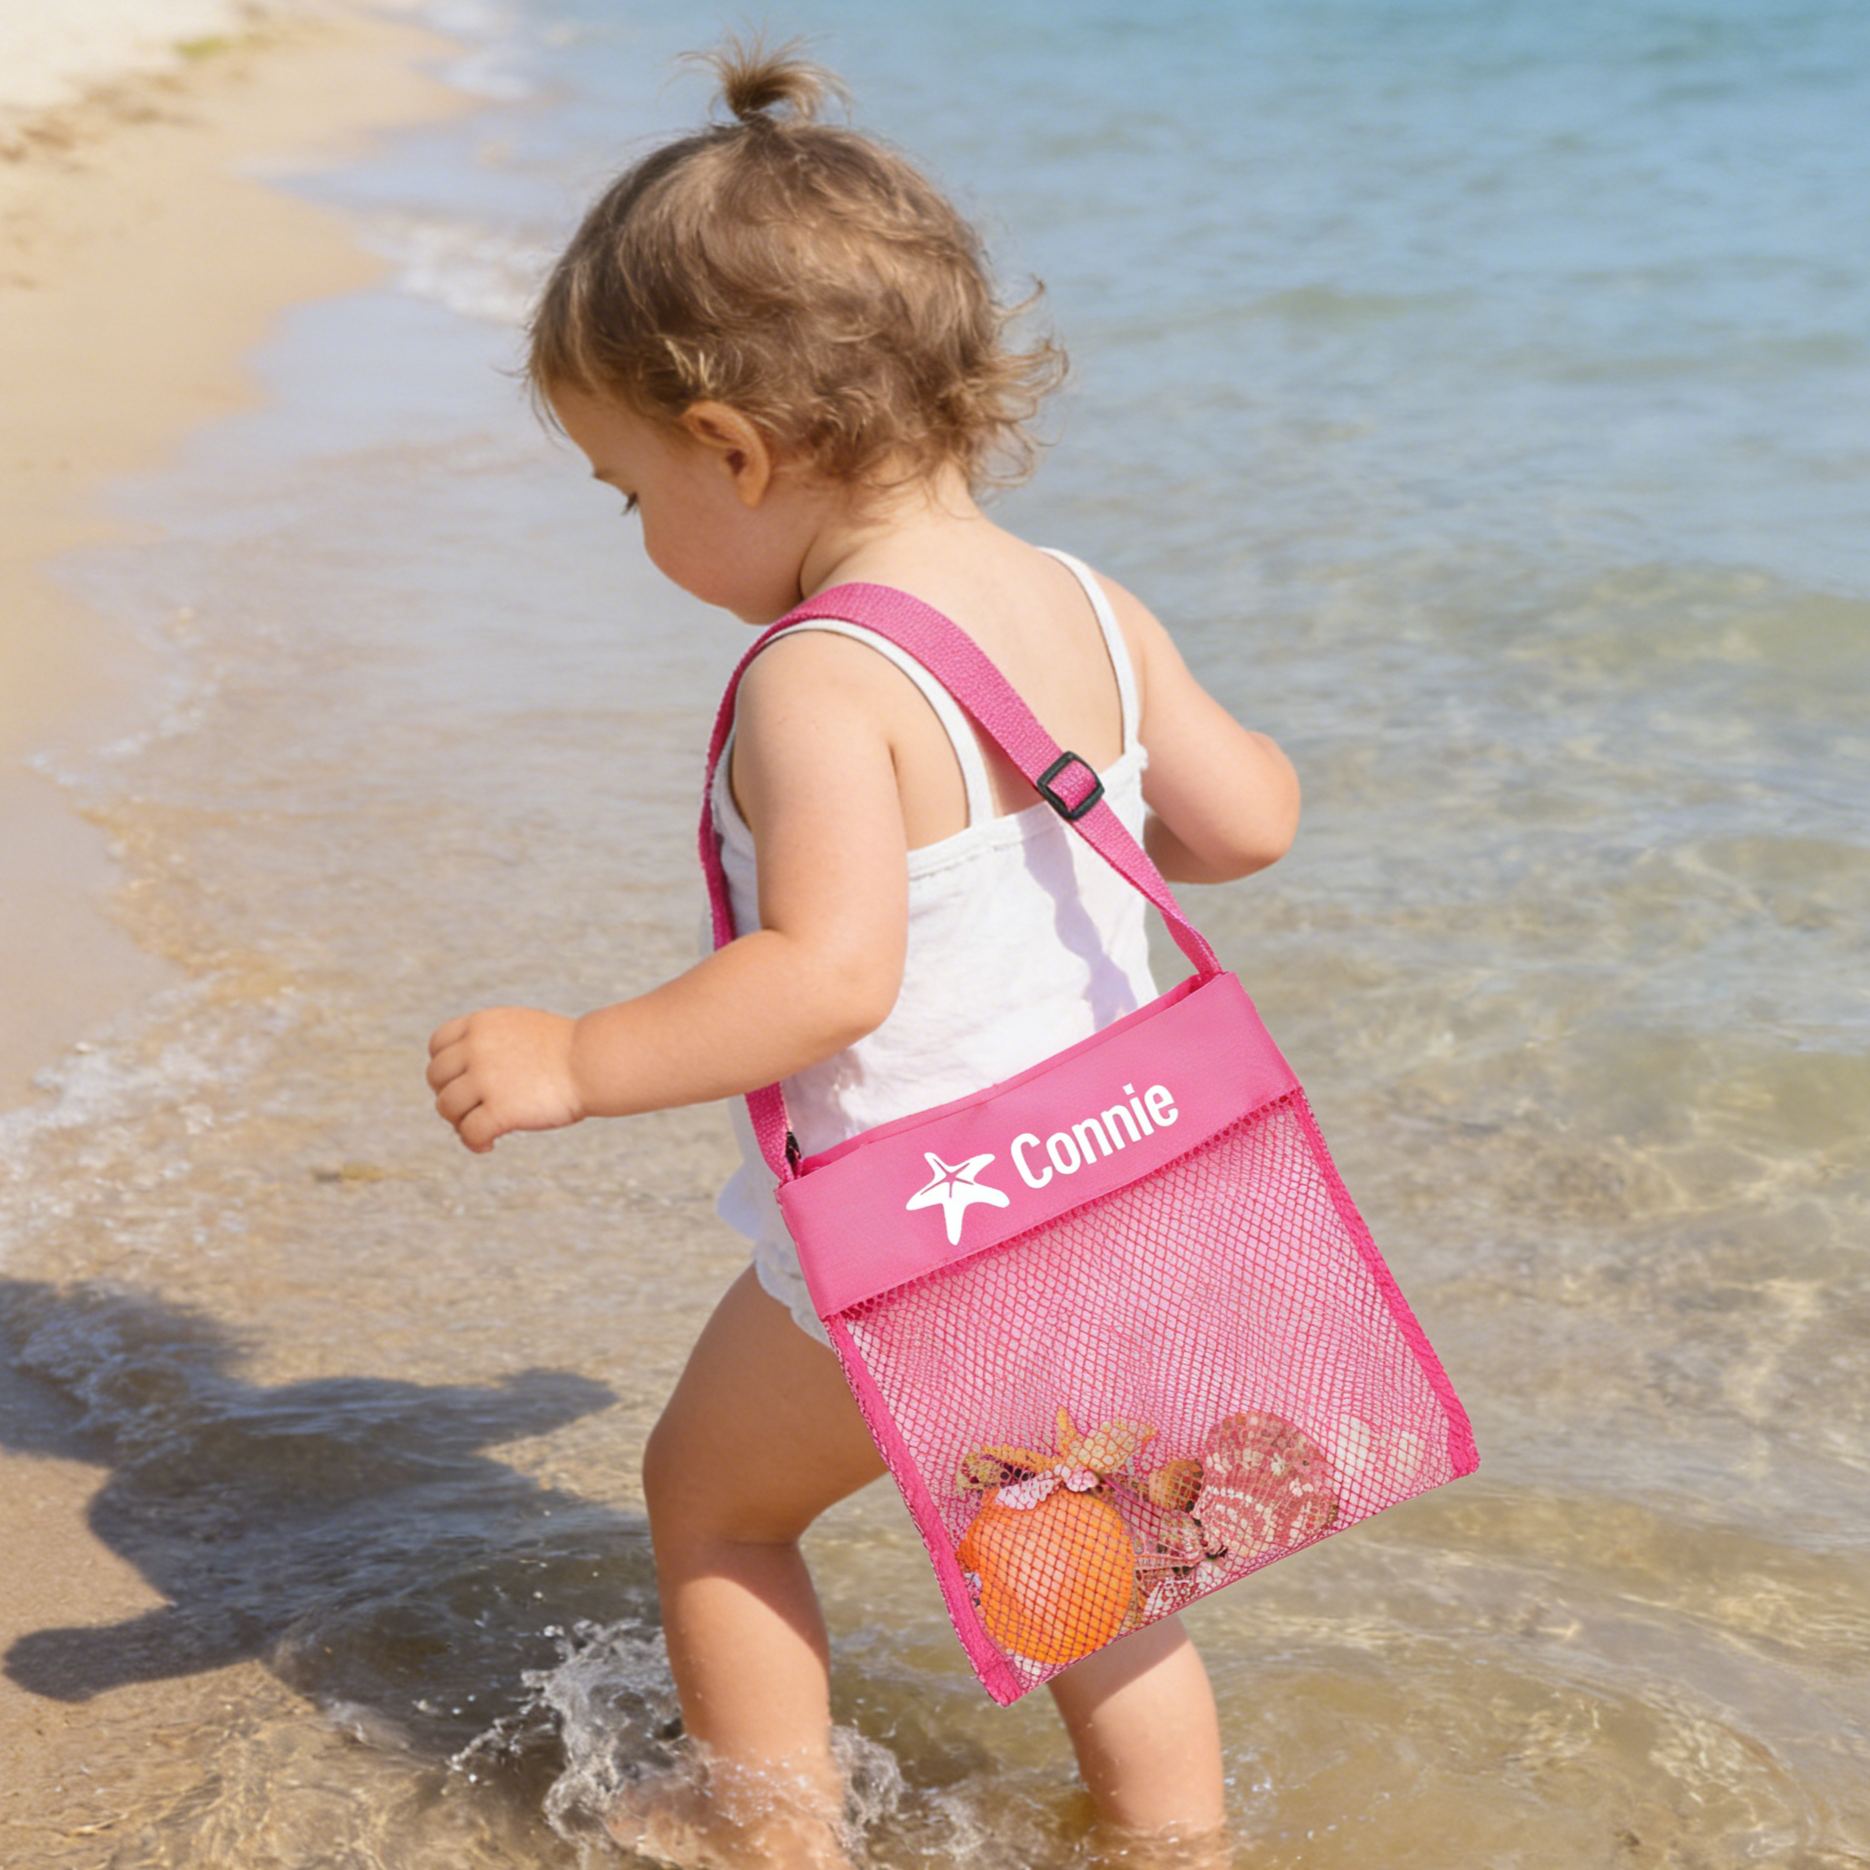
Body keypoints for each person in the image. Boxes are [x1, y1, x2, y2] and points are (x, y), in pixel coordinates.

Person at [425, 30, 1301, 1869]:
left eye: (626, 486)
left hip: (932, 1226)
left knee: (715, 1499)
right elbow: (1243, 827)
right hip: (1121, 1192)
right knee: (1094, 1554)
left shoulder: (821, 678)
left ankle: (770, 1824)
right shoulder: (1084, 596)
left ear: (732, 448)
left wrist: (580, 1056)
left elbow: (830, 978)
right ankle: (1171, 1836)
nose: (634, 525)